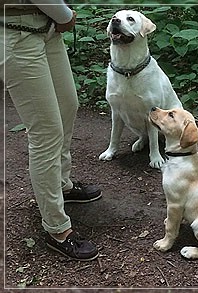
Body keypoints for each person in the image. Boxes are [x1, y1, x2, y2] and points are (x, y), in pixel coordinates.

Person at [1, 0, 102, 261]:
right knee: (46, 132)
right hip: (14, 31)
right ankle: (57, 228)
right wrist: (65, 14)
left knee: (68, 106)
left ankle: (61, 185)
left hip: (47, 29)